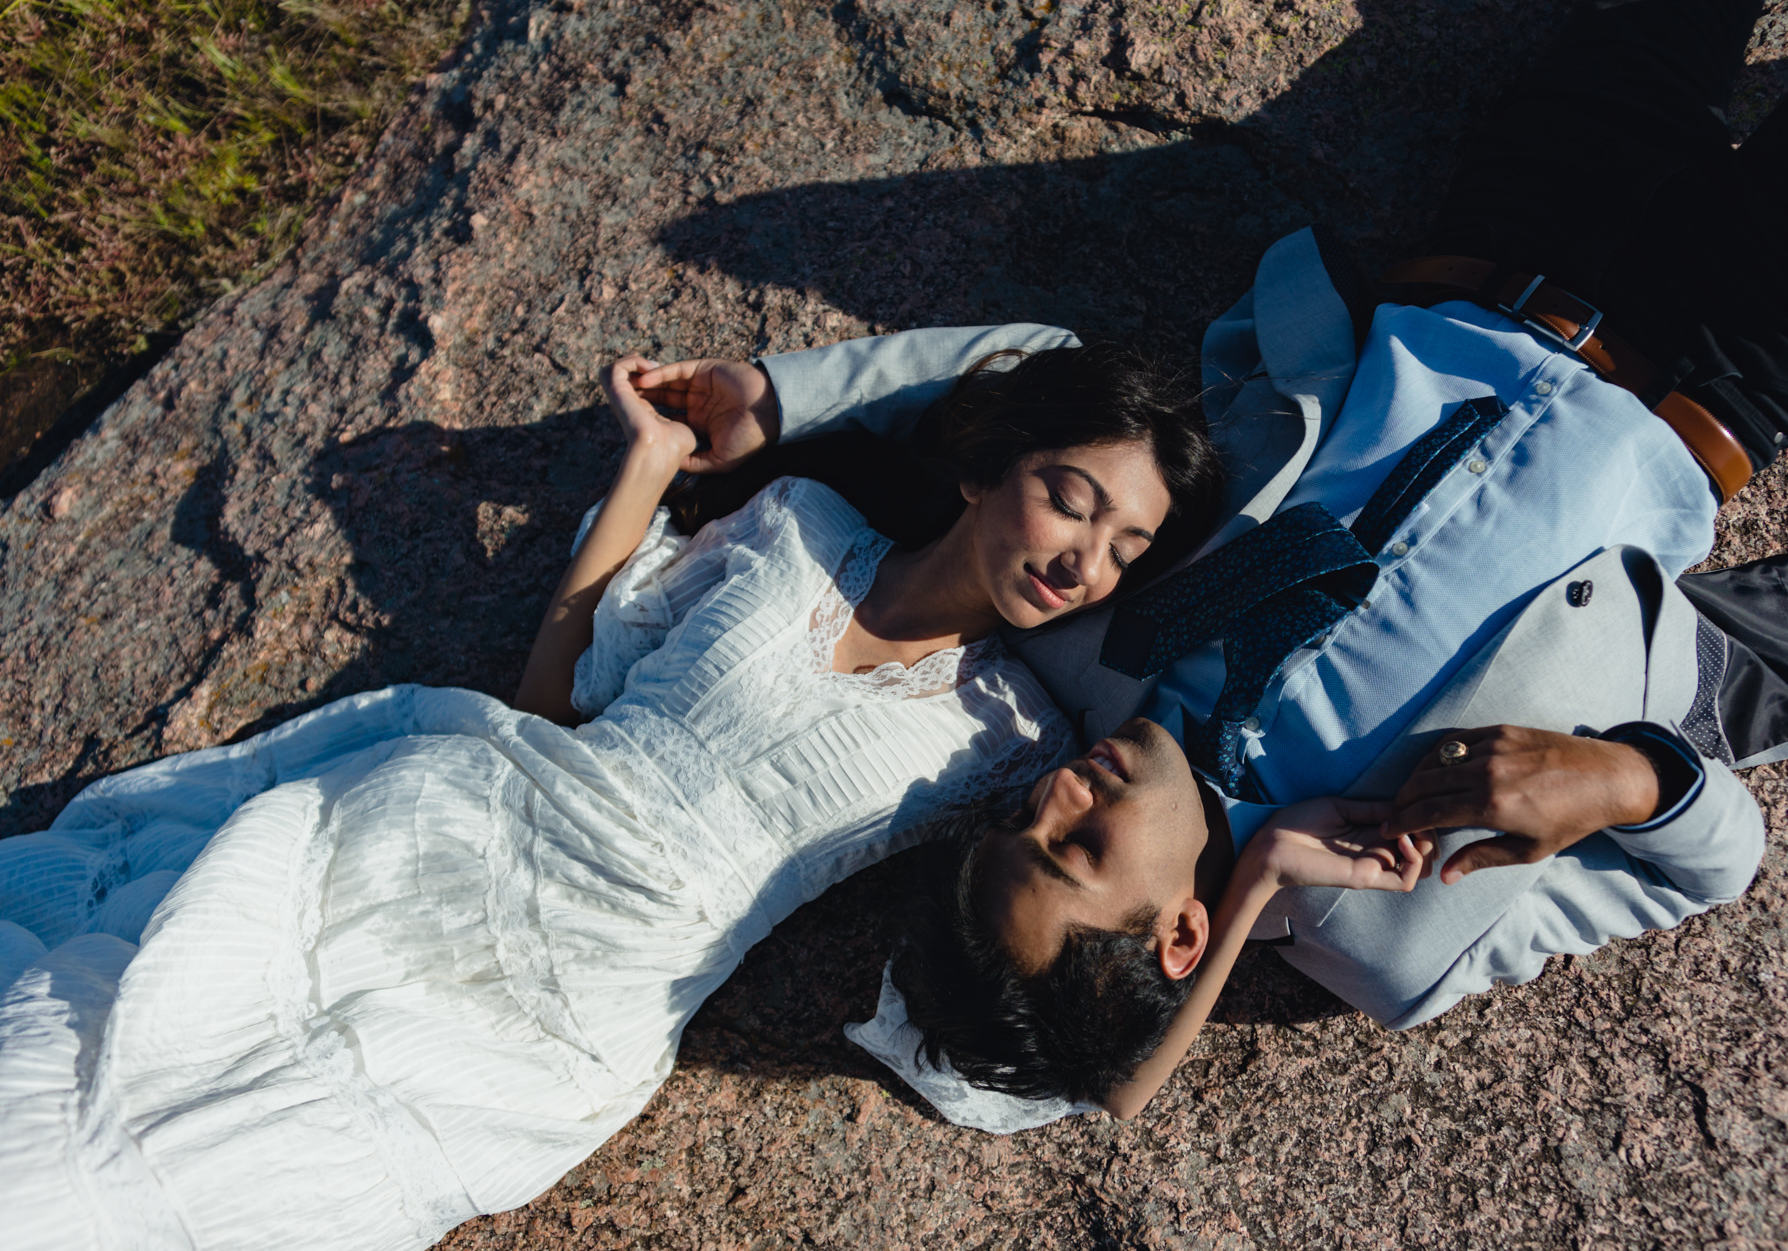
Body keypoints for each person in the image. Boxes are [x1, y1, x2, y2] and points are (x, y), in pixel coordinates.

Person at [660, 0, 1788, 1128]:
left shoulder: (1076, 646)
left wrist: (780, 399)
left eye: (1020, 825)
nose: (1058, 794)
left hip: (1520, 225)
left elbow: (1030, 384)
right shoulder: (1392, 930)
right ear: (1181, 937)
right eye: (1075, 851)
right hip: (1739, 357)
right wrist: (1629, 780)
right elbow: (1710, 867)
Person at [0, 341, 1222, 1249]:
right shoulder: (799, 521)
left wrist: (1264, 876)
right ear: (982, 472)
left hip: (600, 988)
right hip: (468, 824)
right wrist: (645, 471)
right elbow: (556, 698)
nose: (1084, 561)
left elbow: (1085, 1065)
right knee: (119, 1016)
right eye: (1072, 497)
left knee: (209, 1180)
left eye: (1126, 547)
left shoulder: (1020, 749)